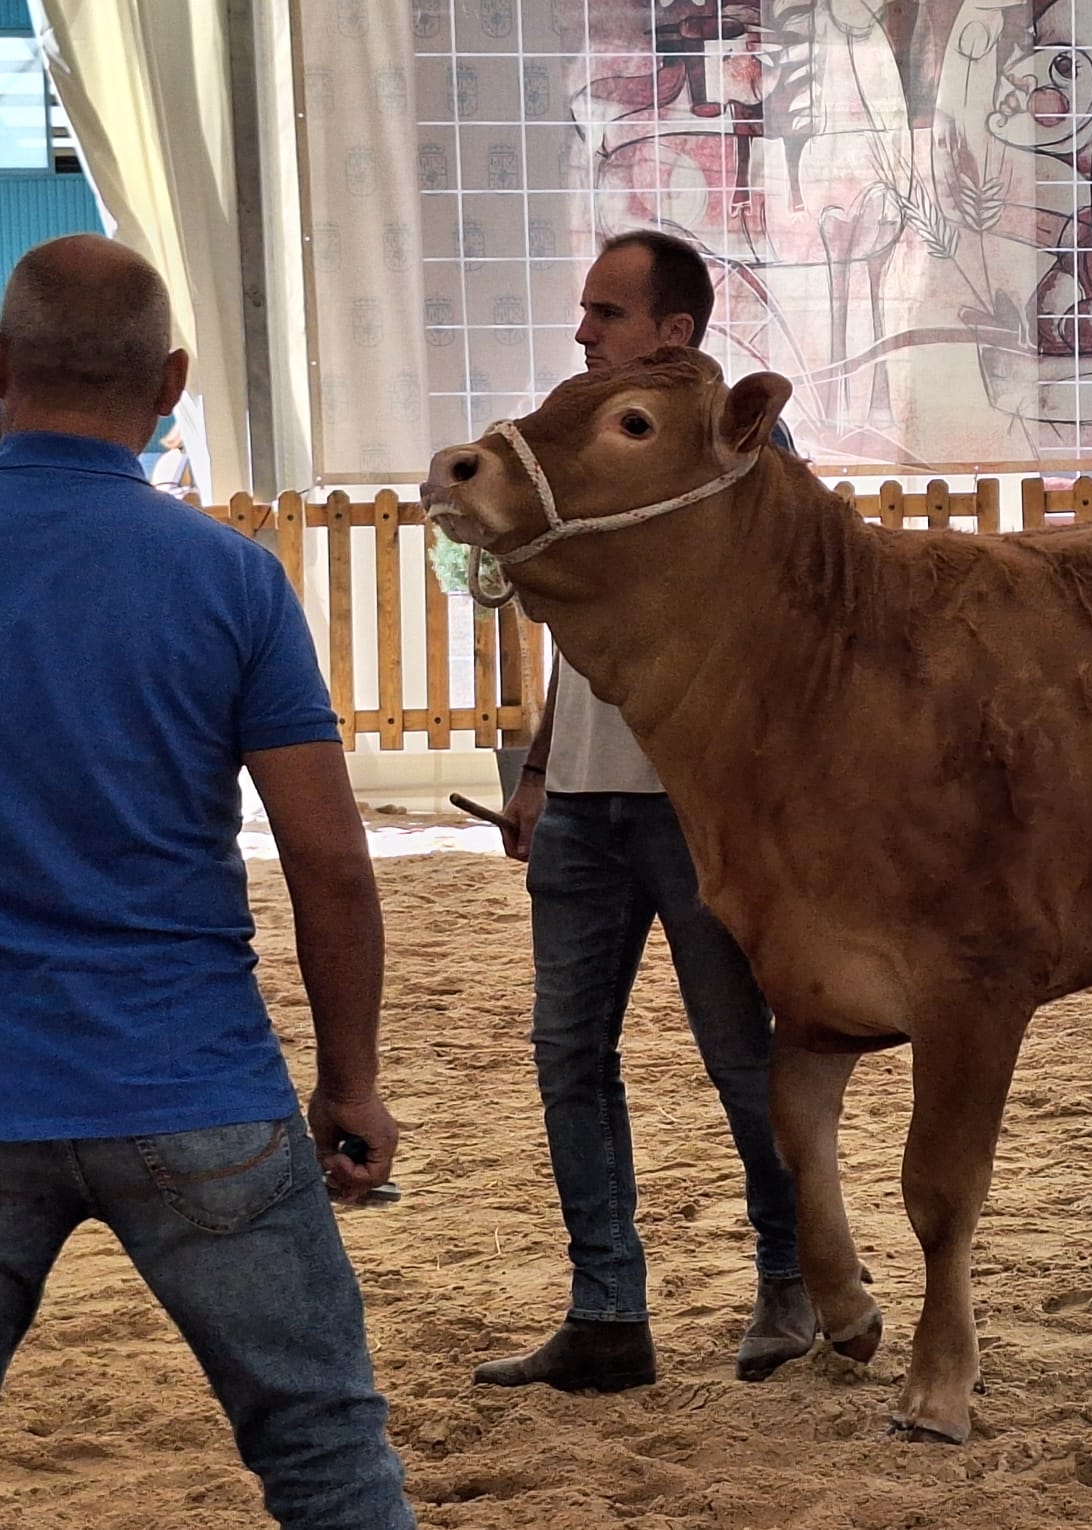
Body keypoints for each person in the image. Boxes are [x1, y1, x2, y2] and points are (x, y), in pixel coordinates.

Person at [0, 235, 411, 1527]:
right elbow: (331, 863)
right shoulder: (232, 577)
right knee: (327, 1454)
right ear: (172, 381)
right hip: (193, 1080)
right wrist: (350, 1078)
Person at [471, 230, 813, 1394]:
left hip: (694, 808)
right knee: (568, 1054)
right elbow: (586, 625)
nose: (585, 332)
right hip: (582, 803)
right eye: (587, 312)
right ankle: (607, 1312)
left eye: (608, 314)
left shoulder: (740, 449)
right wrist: (535, 769)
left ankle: (794, 1277)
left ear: (675, 332)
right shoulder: (585, 450)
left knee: (736, 1056)